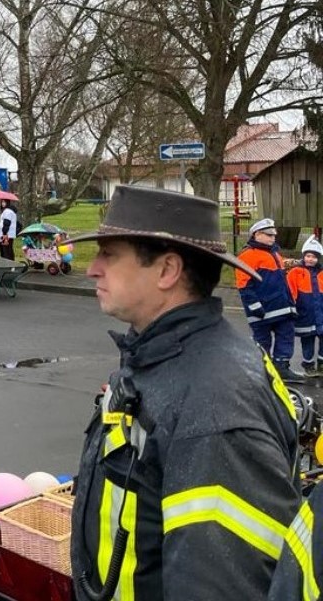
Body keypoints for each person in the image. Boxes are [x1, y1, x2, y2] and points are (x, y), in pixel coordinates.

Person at [61, 186, 299, 600]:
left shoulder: (215, 410)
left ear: (167, 271)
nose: (92, 269)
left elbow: (221, 585)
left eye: (109, 254)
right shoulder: (159, 354)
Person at [237, 217, 302, 381]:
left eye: (273, 235)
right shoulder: (247, 256)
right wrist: (254, 306)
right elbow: (244, 285)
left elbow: (279, 275)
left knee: (286, 335)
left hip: (281, 306)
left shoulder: (273, 252)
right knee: (262, 340)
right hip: (262, 310)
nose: (273, 238)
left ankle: (281, 367)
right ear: (256, 235)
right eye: (269, 235)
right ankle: (262, 369)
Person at [288, 236, 323, 377]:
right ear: (303, 256)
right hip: (305, 315)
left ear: (318, 259)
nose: (310, 259)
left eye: (314, 257)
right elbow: (291, 292)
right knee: (307, 341)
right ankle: (308, 366)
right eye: (308, 256)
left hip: (321, 314)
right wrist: (292, 308)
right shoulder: (295, 273)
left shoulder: (321, 274)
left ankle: (321, 363)